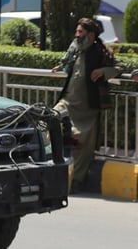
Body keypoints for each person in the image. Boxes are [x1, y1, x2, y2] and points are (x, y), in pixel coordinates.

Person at [51, 17, 123, 191]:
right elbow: (67, 62)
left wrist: (103, 71)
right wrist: (60, 67)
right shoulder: (74, 49)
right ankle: (53, 172)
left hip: (88, 108)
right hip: (67, 103)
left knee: (83, 146)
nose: (77, 35)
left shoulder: (100, 51)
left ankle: (76, 180)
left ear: (90, 34)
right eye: (76, 32)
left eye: (80, 32)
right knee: (51, 121)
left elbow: (119, 66)